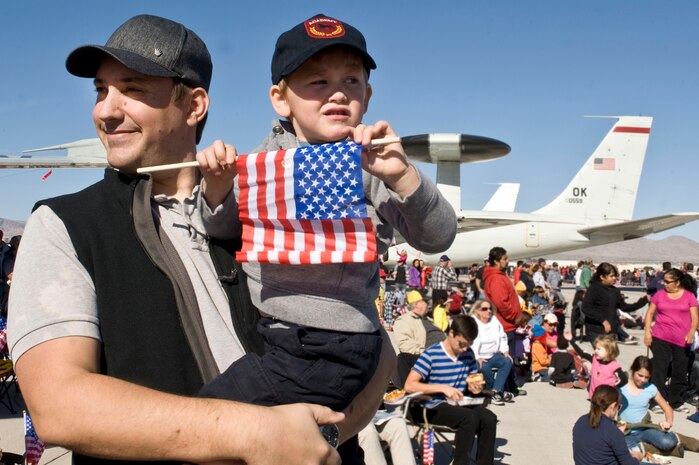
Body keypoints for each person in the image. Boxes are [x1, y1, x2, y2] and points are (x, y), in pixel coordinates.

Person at [7, 15, 393, 465]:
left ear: (194, 106)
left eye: (132, 90)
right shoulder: (65, 224)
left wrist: (323, 435)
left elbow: (371, 342)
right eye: (100, 90)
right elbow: (58, 407)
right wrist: (253, 435)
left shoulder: (268, 197)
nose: (106, 111)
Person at [195, 14, 456, 461]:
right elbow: (223, 229)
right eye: (317, 81)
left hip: (329, 345)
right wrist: (217, 191)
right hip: (282, 341)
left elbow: (437, 236)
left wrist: (405, 177)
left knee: (205, 421)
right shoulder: (261, 166)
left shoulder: (369, 163)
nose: (337, 93)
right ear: (280, 99)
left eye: (351, 81)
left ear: (367, 95)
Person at [404, 315, 498, 465]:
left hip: (459, 403)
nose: (465, 349)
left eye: (468, 344)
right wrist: (441, 388)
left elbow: (473, 377)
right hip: (432, 405)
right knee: (469, 418)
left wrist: (475, 385)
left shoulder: (468, 353)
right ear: (451, 333)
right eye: (461, 344)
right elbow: (409, 385)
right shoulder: (431, 354)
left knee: (489, 418)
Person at [644, 267, 699, 413]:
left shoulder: (689, 296)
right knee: (659, 370)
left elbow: (695, 317)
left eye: (668, 282)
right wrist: (647, 334)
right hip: (660, 337)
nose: (665, 284)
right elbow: (649, 314)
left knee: (679, 371)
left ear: (677, 282)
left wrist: (692, 332)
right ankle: (655, 401)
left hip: (683, 340)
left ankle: (676, 401)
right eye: (664, 281)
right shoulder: (659, 295)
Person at [572, 385, 645, 465]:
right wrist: (637, 457)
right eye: (618, 407)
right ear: (613, 406)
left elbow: (596, 442)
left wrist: (618, 433)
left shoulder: (580, 421)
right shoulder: (612, 431)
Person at [619, 356, 678, 453]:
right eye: (640, 375)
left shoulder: (651, 388)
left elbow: (667, 408)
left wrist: (669, 422)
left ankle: (674, 438)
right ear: (633, 370)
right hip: (626, 431)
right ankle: (646, 448)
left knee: (667, 442)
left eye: (647, 377)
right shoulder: (622, 386)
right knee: (628, 452)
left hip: (645, 429)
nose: (643, 380)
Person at [581, 262, 647, 344]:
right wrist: (603, 320)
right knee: (602, 354)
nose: (614, 278)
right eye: (611, 276)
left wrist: (642, 302)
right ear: (602, 277)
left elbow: (624, 307)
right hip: (595, 330)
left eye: (615, 276)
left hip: (610, 331)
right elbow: (586, 308)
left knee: (609, 355)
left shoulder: (615, 291)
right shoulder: (593, 289)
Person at [469, 299, 514, 404]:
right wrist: (476, 356)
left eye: (490, 308)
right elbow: (469, 342)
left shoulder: (494, 320)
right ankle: (499, 392)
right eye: (484, 309)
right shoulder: (472, 322)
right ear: (477, 311)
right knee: (483, 367)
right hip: (476, 356)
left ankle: (495, 392)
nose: (488, 311)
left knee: (507, 361)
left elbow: (503, 337)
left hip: (493, 355)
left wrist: (505, 350)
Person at [483, 247, 522, 363]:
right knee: (507, 363)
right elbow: (501, 303)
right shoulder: (496, 278)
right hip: (504, 327)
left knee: (509, 362)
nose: (507, 261)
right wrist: (515, 316)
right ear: (496, 261)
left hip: (507, 325)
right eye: (505, 258)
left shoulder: (499, 276)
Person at [570, 334, 627, 398]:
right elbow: (582, 354)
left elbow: (624, 380)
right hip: (595, 396)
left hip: (606, 397)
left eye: (598, 349)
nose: (595, 351)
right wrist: (572, 341)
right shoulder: (595, 359)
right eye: (596, 348)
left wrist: (613, 388)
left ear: (609, 351)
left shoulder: (613, 365)